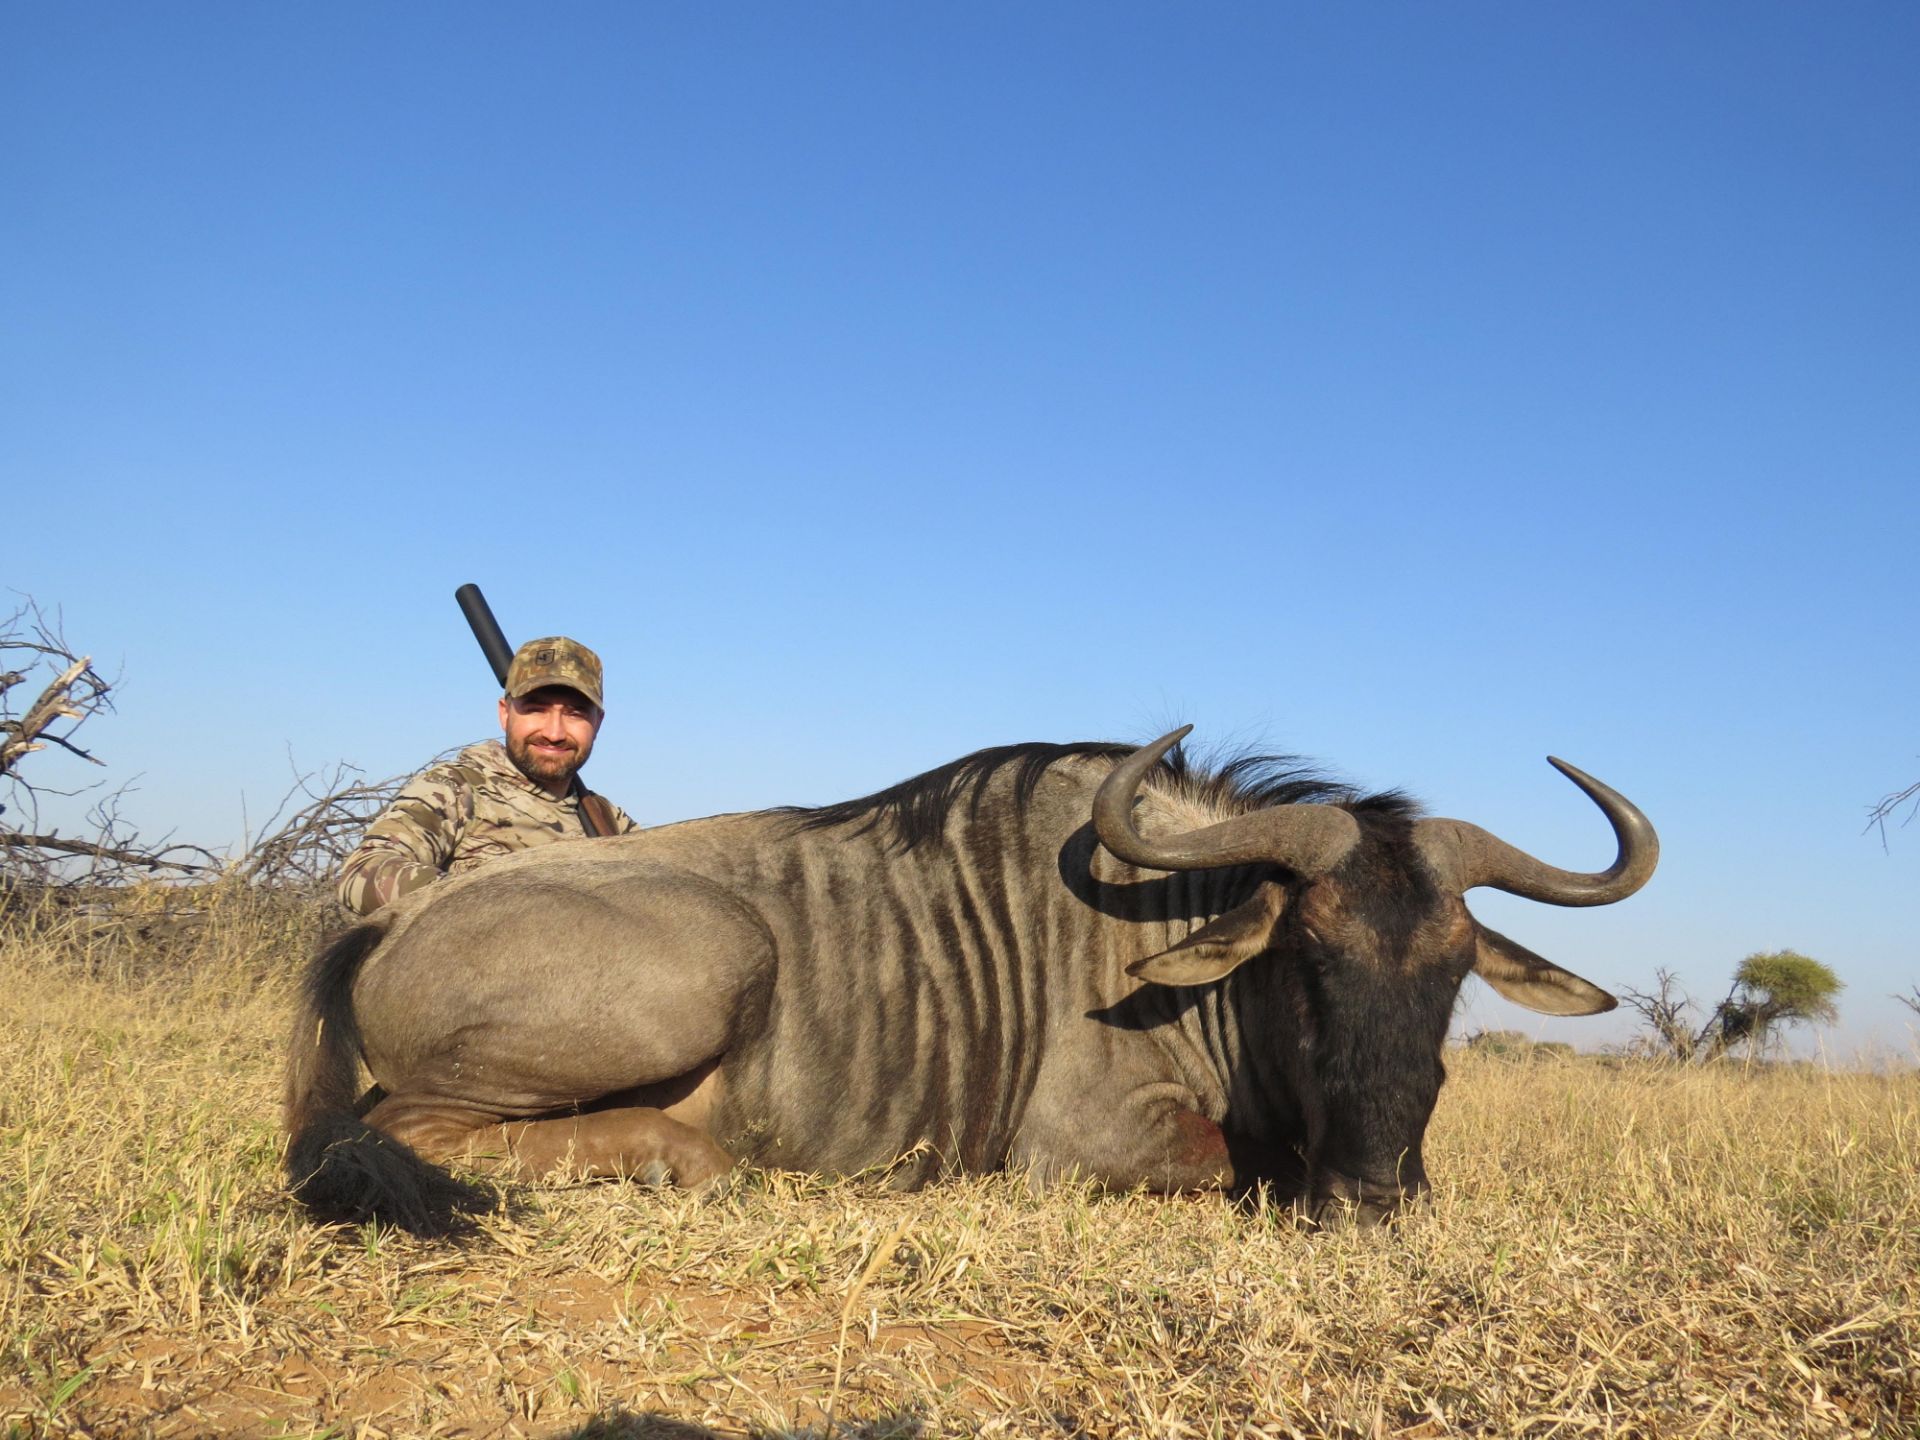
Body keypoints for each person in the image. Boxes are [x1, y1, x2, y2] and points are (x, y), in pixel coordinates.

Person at [336, 636, 637, 916]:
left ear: (598, 723)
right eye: (536, 709)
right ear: (505, 713)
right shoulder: (456, 788)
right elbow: (363, 872)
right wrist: (491, 905)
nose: (554, 732)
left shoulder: (610, 821)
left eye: (575, 713)